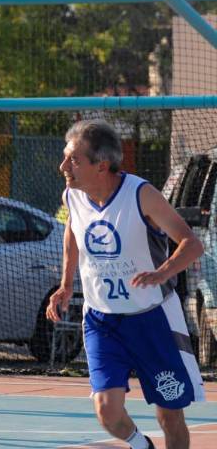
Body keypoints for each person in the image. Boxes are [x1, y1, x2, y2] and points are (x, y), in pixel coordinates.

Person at [48, 119, 206, 449]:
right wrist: (65, 284)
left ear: (101, 165)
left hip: (152, 318)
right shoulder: (73, 196)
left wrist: (162, 272)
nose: (63, 166)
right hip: (101, 319)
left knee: (170, 416)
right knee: (107, 411)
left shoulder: (141, 195)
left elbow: (191, 244)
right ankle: (140, 444)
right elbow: (72, 234)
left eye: (73, 159)